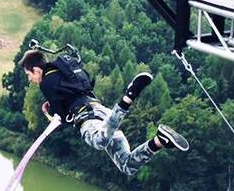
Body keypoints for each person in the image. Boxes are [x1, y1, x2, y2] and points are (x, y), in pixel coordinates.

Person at [19, 49, 189, 178]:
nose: (29, 79)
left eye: (29, 75)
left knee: (99, 141)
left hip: (87, 118)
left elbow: (62, 116)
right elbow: (69, 97)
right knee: (127, 166)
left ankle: (129, 96)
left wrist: (50, 114)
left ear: (37, 70)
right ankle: (160, 140)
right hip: (103, 113)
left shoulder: (46, 83)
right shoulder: (61, 72)